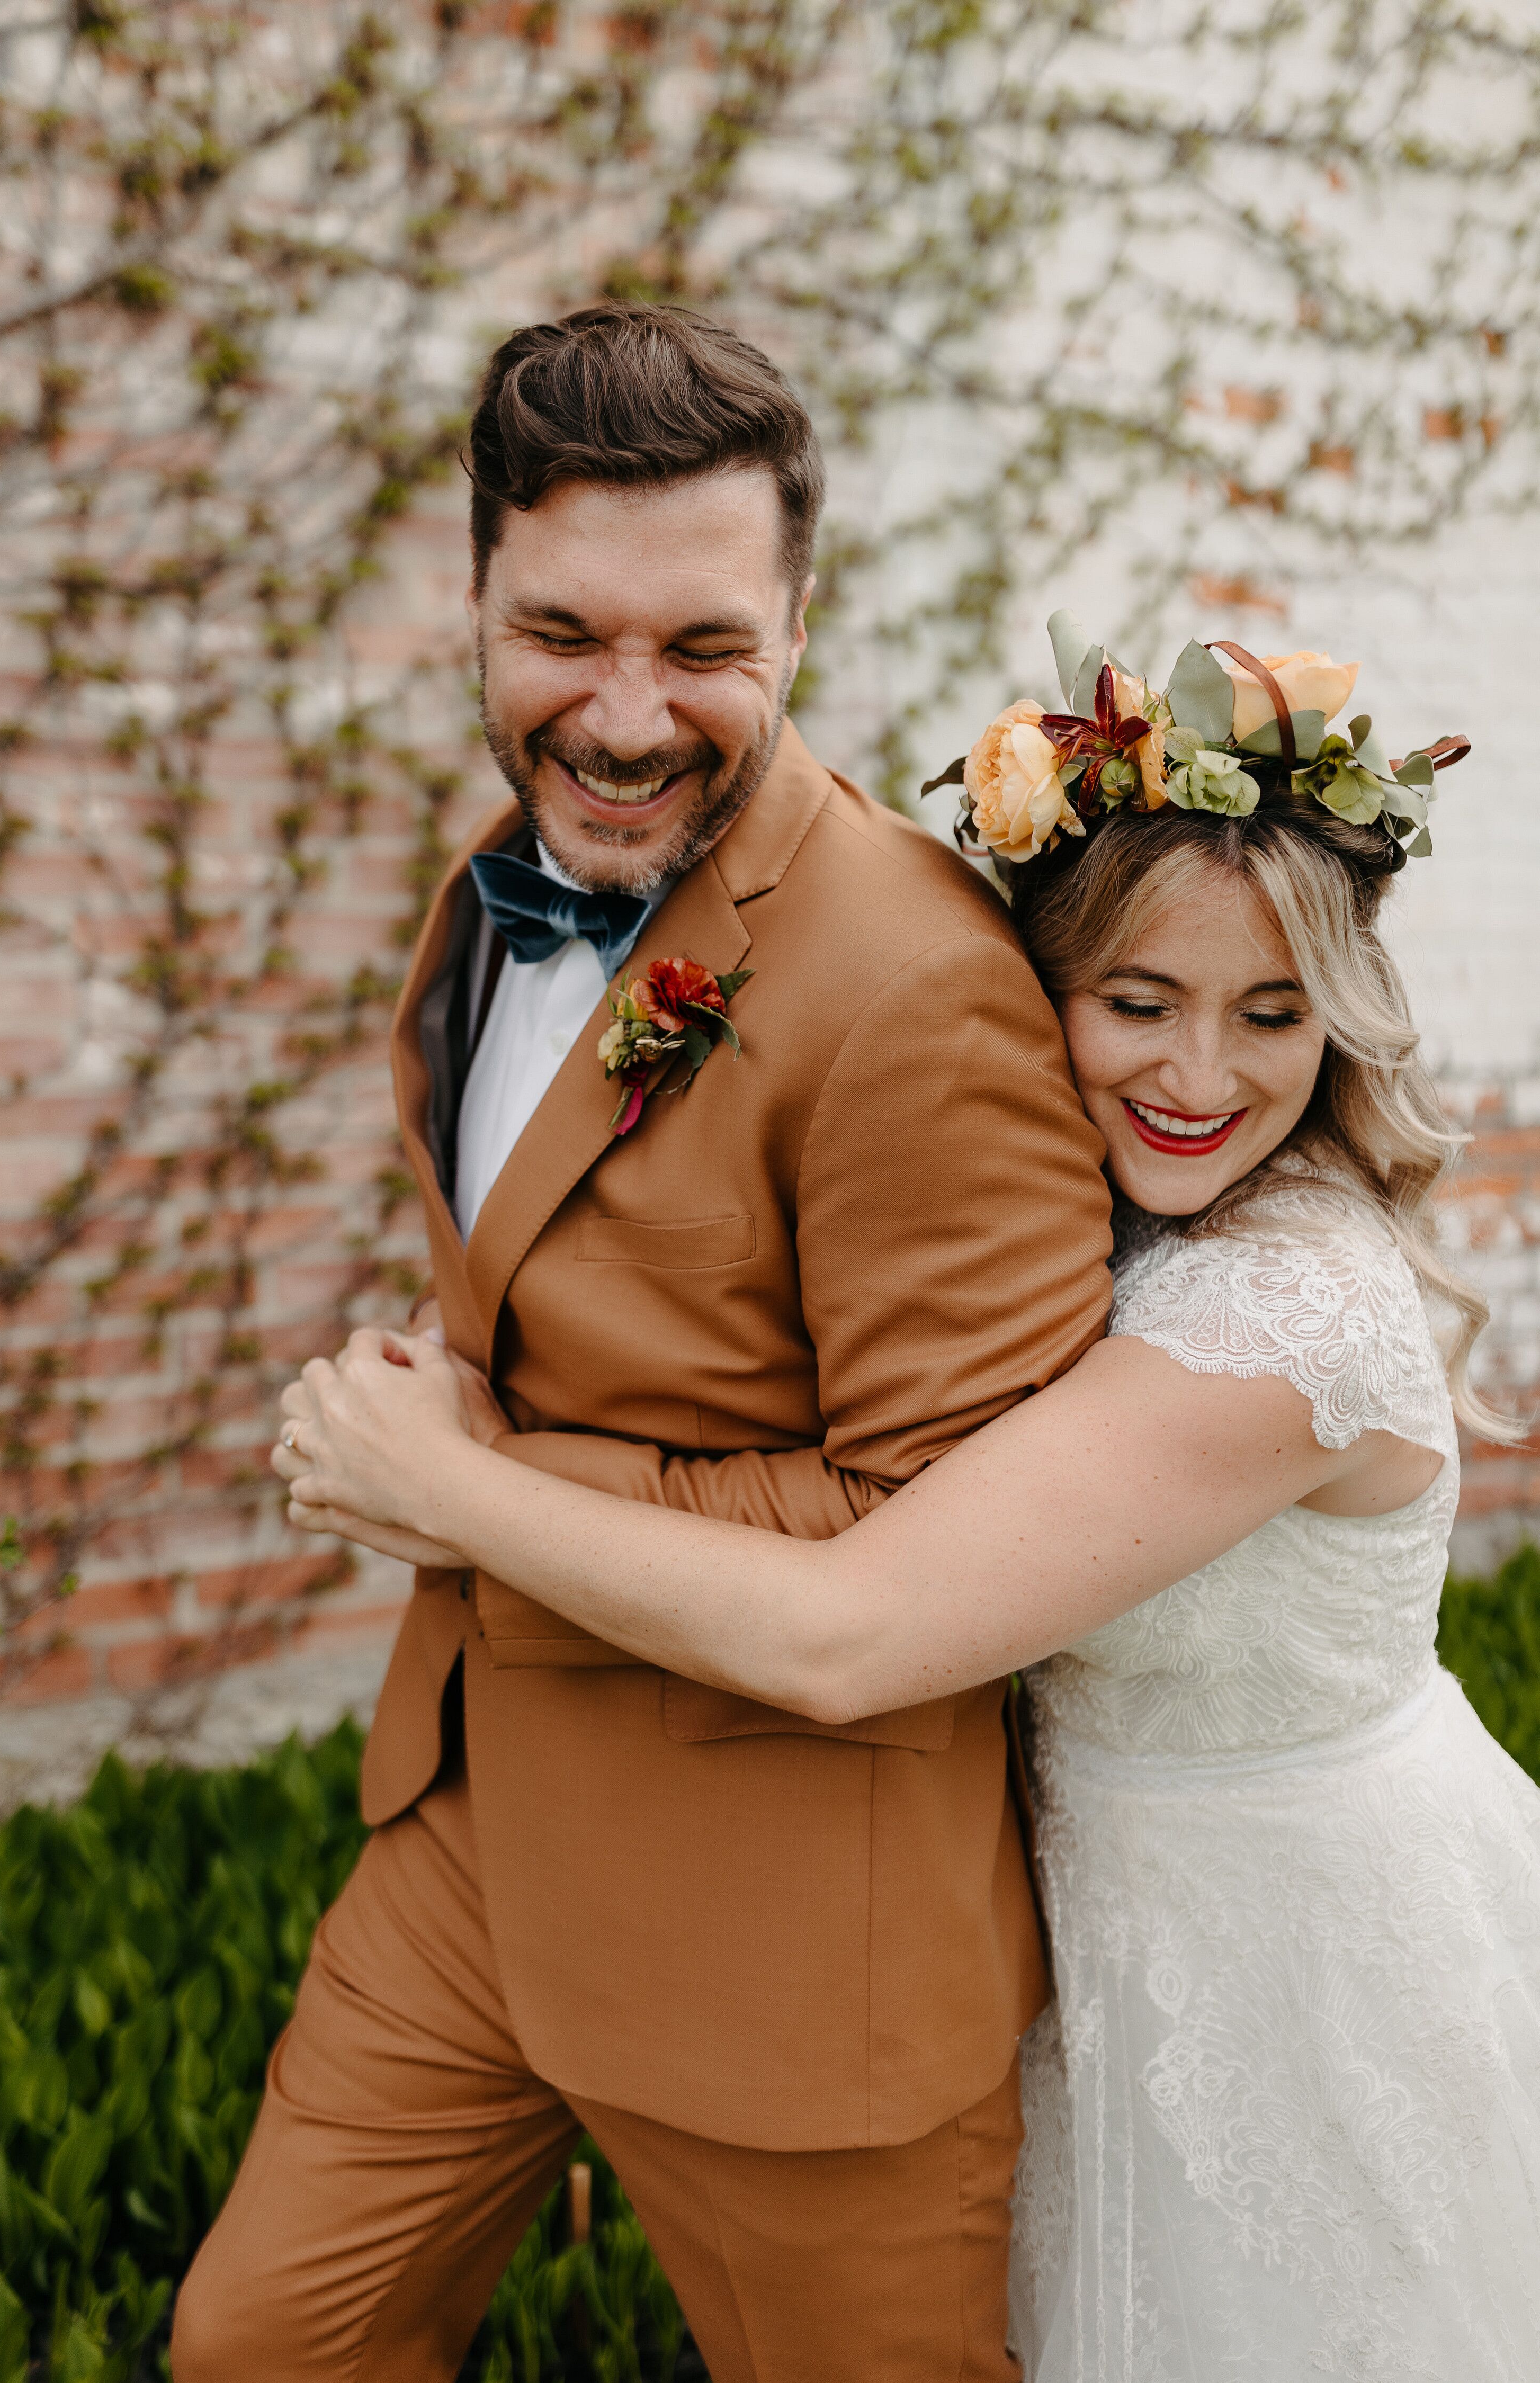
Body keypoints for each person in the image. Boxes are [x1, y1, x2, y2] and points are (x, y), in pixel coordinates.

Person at [275, 622, 1540, 2378]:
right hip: (1088, 1917)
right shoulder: (1106, 1210)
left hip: (1292, 1966)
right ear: (1044, 990)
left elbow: (851, 1628)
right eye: (1139, 1004)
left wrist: (459, 1487)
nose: (1202, 1076)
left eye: (1273, 1014)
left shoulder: (1285, 1314)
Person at [169, 307, 1117, 2382]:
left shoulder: (912, 994)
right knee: (261, 2344)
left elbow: (942, 1540)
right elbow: (596, 1228)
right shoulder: (521, 881)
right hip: (479, 1835)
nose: (618, 716)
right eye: (561, 633)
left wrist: (463, 1486)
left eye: (701, 647)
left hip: (794, 1924)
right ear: (478, 598)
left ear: (803, 613)